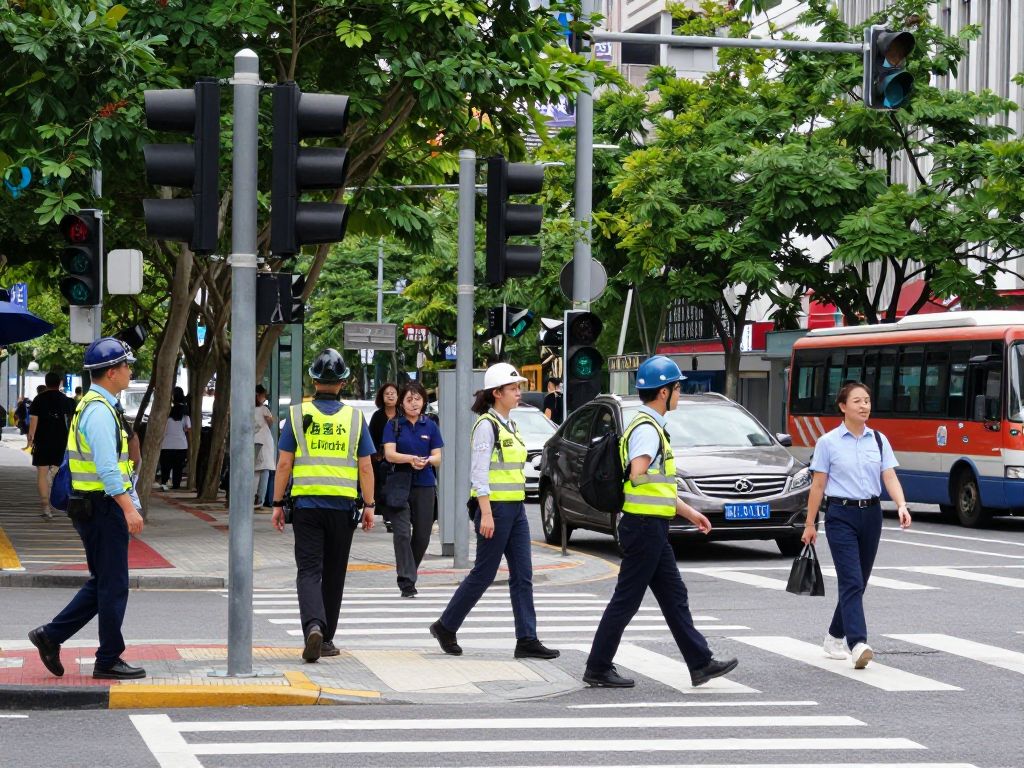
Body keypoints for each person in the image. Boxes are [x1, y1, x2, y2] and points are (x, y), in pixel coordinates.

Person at [584, 355, 738, 689]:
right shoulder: (647, 430)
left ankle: (700, 663)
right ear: (664, 392)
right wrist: (646, 477)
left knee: (673, 595)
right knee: (627, 600)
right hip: (643, 527)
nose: (679, 393)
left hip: (651, 526)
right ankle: (597, 667)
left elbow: (657, 486)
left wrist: (690, 512)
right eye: (677, 388)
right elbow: (638, 474)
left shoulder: (650, 427)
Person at [28, 338, 146, 680]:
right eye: (126, 365)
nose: (130, 370)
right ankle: (107, 659)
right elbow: (108, 469)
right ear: (111, 372)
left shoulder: (97, 405)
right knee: (113, 585)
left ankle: (51, 636)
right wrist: (128, 508)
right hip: (102, 508)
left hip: (96, 507)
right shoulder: (99, 411)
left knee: (104, 583)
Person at [430, 363, 559, 661]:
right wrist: (486, 513)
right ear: (497, 393)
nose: (518, 393)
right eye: (513, 389)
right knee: (484, 573)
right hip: (495, 510)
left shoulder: (510, 424)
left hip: (515, 510)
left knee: (523, 575)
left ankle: (527, 639)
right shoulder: (486, 426)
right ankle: (446, 626)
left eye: (518, 388)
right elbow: (478, 475)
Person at [271, 348, 376, 663]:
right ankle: (326, 639)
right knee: (334, 573)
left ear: (314, 381)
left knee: (309, 570)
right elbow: (366, 467)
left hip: (307, 507)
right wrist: (369, 505)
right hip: (342, 509)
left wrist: (277, 503)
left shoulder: (295, 415)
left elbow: (284, 465)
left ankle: (313, 626)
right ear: (343, 382)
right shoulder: (355, 418)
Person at [802, 381, 912, 670]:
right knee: (851, 580)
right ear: (842, 407)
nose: (864, 406)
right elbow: (818, 485)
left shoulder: (878, 440)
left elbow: (889, 475)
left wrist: (901, 505)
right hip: (840, 515)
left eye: (867, 400)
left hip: (871, 514)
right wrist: (810, 523)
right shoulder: (828, 443)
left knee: (859, 581)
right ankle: (858, 643)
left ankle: (833, 636)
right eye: (857, 401)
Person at [382, 380, 443, 598]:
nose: (414, 403)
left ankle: (409, 573)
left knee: (423, 536)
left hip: (425, 484)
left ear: (424, 401)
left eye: (418, 399)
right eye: (409, 399)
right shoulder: (393, 425)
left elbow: (438, 457)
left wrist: (426, 461)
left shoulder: (431, 425)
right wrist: (410, 459)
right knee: (401, 533)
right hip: (399, 484)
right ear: (402, 403)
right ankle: (407, 581)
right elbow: (390, 454)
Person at [27, 372, 74, 520]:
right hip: (61, 441)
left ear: (46, 382)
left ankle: (46, 507)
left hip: (42, 441)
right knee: (58, 468)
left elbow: (33, 422)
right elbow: (72, 423)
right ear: (59, 383)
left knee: (41, 473)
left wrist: (30, 440)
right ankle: (52, 475)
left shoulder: (38, 399)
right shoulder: (67, 401)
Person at [368, 383, 399, 531]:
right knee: (383, 488)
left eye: (393, 393)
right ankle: (388, 518)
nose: (390, 396)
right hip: (380, 459)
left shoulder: (402, 415)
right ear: (382, 397)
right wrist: (376, 455)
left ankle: (397, 516)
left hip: (400, 457)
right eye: (387, 394)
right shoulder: (377, 416)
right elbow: (371, 437)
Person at [157, 387, 190, 491]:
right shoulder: (185, 414)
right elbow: (188, 428)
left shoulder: (166, 413)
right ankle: (176, 485)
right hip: (181, 445)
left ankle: (164, 483)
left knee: (165, 466)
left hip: (166, 444)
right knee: (178, 468)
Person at [254, 384, 276, 507]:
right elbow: (271, 422)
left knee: (255, 470)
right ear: (258, 395)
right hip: (264, 442)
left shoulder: (247, 409)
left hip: (254, 441)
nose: (265, 398)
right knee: (264, 470)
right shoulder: (264, 409)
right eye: (263, 395)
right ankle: (260, 499)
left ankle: (254, 497)